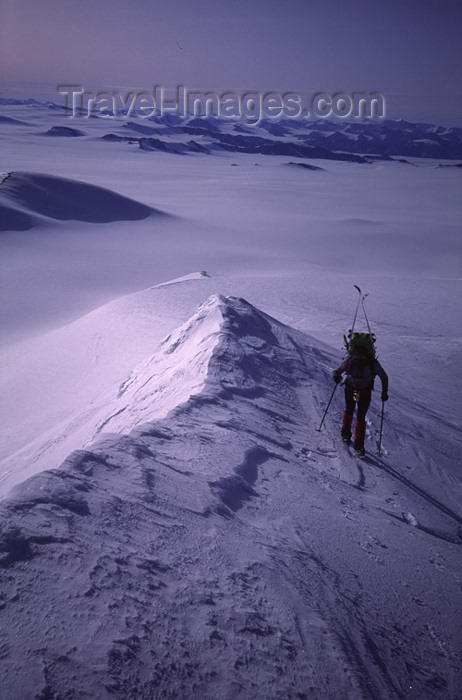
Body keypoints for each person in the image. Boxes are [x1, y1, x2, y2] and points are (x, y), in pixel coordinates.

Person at [332, 345, 388, 454]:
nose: (359, 361)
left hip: (353, 389)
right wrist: (384, 391)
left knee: (352, 411)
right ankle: (357, 443)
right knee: (359, 415)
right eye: (357, 359)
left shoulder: (353, 360)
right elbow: (384, 377)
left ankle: (347, 435)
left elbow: (337, 371)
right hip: (363, 391)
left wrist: (336, 377)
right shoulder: (371, 363)